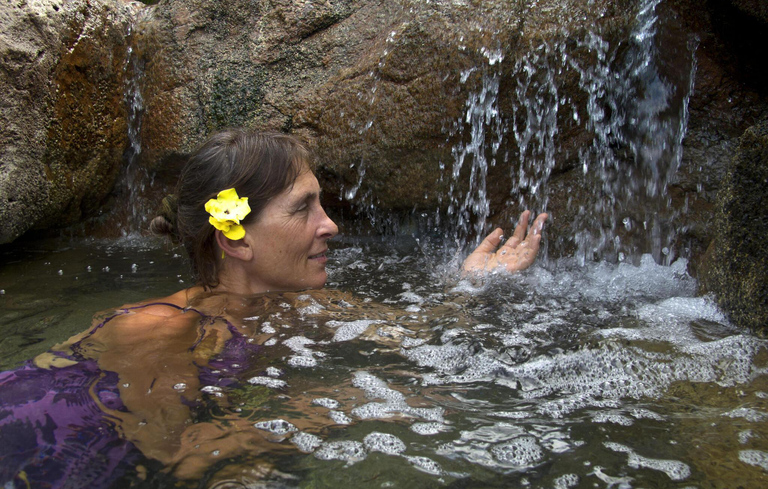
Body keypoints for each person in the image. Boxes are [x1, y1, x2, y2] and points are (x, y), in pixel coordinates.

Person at [0, 128, 548, 487]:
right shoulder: (156, 327)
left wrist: (474, 285)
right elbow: (179, 455)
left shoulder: (305, 306)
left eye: (322, 204)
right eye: (304, 208)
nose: (330, 225)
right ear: (237, 240)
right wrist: (339, 403)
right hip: (36, 448)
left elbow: (421, 336)